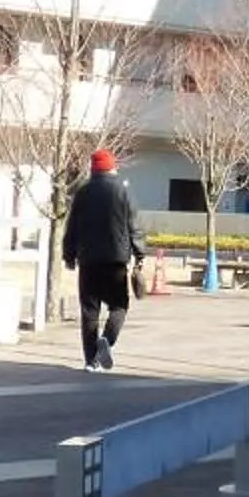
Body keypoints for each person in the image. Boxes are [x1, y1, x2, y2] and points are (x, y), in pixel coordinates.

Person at [59, 148, 145, 371]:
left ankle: (91, 361)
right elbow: (134, 226)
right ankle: (107, 339)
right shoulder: (123, 192)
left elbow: (72, 227)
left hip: (88, 261)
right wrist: (140, 254)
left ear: (93, 169)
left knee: (89, 312)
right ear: (112, 167)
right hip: (115, 262)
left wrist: (69, 255)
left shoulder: (83, 192)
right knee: (119, 305)